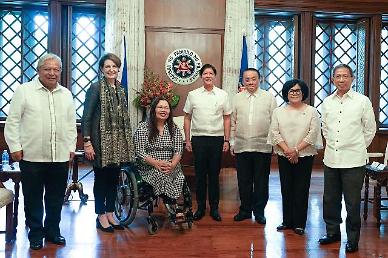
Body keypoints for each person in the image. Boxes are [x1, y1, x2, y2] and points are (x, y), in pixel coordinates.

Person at [4, 53, 77, 250]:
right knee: (33, 197)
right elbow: (12, 122)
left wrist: (71, 148)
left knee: (55, 198)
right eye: (47, 69)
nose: (52, 73)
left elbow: (71, 125)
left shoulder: (66, 94)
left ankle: (52, 231)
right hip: (31, 156)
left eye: (56, 69)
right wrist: (15, 147)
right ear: (38, 71)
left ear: (60, 72)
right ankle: (35, 233)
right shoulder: (24, 91)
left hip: (59, 156)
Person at [318, 64, 376, 253]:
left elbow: (369, 130)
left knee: (352, 203)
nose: (341, 80)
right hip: (331, 159)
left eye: (345, 76)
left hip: (354, 160)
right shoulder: (327, 101)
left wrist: (357, 146)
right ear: (332, 79)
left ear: (352, 79)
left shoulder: (362, 101)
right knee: (330, 199)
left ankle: (352, 239)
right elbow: (325, 128)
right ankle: (332, 232)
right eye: (337, 76)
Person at [81, 53, 135, 233]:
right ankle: (100, 215)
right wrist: (87, 142)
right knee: (101, 180)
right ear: (102, 70)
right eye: (107, 67)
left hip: (117, 144)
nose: (111, 70)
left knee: (114, 179)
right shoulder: (95, 88)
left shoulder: (121, 89)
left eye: (114, 66)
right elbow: (86, 118)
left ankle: (111, 213)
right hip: (99, 143)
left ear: (118, 69)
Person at [268, 79, 323, 235]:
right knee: (286, 188)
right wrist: (288, 151)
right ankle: (287, 221)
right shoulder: (278, 111)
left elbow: (313, 133)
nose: (294, 93)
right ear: (286, 93)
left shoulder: (312, 111)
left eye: (297, 90)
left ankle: (299, 223)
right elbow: (274, 132)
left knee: (301, 188)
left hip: (304, 155)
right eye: (291, 91)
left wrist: (296, 150)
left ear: (303, 93)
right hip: (284, 154)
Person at [183, 64, 232, 222]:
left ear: (215, 76)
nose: (208, 76)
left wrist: (226, 139)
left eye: (211, 73)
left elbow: (227, 118)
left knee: (214, 175)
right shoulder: (193, 95)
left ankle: (215, 208)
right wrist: (188, 139)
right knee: (200, 175)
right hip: (198, 139)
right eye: (205, 73)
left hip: (217, 139)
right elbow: (187, 117)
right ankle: (201, 208)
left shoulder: (223, 95)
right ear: (201, 76)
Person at [230, 68, 277, 224]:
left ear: (260, 79)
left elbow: (274, 123)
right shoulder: (236, 98)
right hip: (242, 146)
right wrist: (231, 141)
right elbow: (232, 122)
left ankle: (259, 212)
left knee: (261, 181)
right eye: (247, 79)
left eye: (253, 78)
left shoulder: (269, 97)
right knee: (244, 181)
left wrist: (273, 144)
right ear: (243, 81)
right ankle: (244, 210)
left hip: (262, 146)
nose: (250, 82)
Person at [134, 96, 189, 213]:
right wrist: (156, 163)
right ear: (153, 110)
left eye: (166, 108)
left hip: (170, 165)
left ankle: (173, 205)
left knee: (178, 176)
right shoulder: (143, 128)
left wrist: (173, 164)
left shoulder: (174, 128)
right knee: (161, 174)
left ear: (170, 111)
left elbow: (178, 150)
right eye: (160, 107)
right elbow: (139, 152)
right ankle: (173, 206)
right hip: (148, 166)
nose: (163, 110)